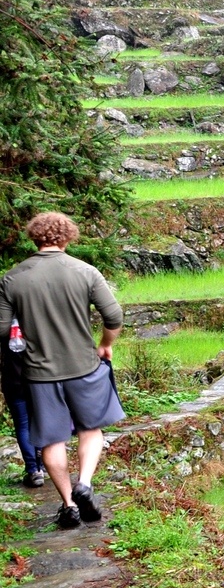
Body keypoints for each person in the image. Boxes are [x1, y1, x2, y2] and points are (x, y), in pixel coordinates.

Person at [0, 212, 126, 529]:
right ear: (68, 238)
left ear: (35, 238)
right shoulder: (85, 272)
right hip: (83, 366)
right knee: (90, 428)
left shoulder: (13, 278)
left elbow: (2, 329)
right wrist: (105, 344)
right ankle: (84, 482)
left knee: (52, 440)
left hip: (39, 373)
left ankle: (69, 504)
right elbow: (113, 316)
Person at [1, 344, 44, 488]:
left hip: (13, 379)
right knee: (38, 422)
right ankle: (41, 465)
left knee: (23, 424)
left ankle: (33, 470)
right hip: (38, 378)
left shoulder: (6, 326)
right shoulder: (36, 322)